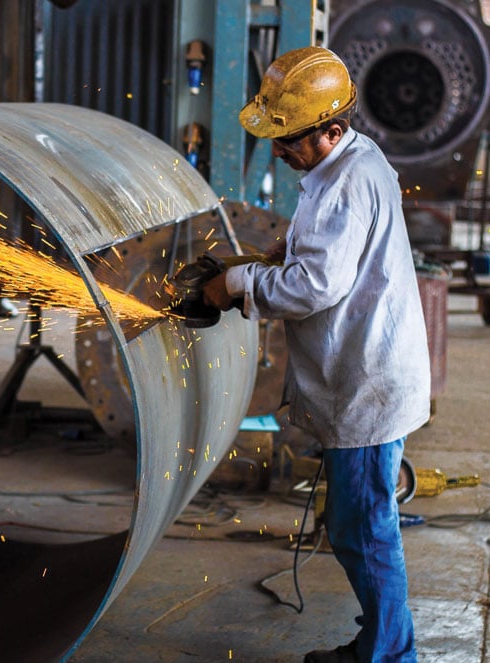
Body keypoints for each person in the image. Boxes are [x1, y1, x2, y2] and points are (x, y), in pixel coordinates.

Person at [202, 46, 431, 662]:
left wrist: (236, 286)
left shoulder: (348, 180)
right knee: (358, 527)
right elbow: (327, 250)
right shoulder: (345, 163)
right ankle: (382, 645)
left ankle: (389, 656)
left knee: (365, 530)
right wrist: (280, 250)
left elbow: (316, 287)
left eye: (291, 141)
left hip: (367, 383)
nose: (279, 151)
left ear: (333, 129)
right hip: (367, 374)